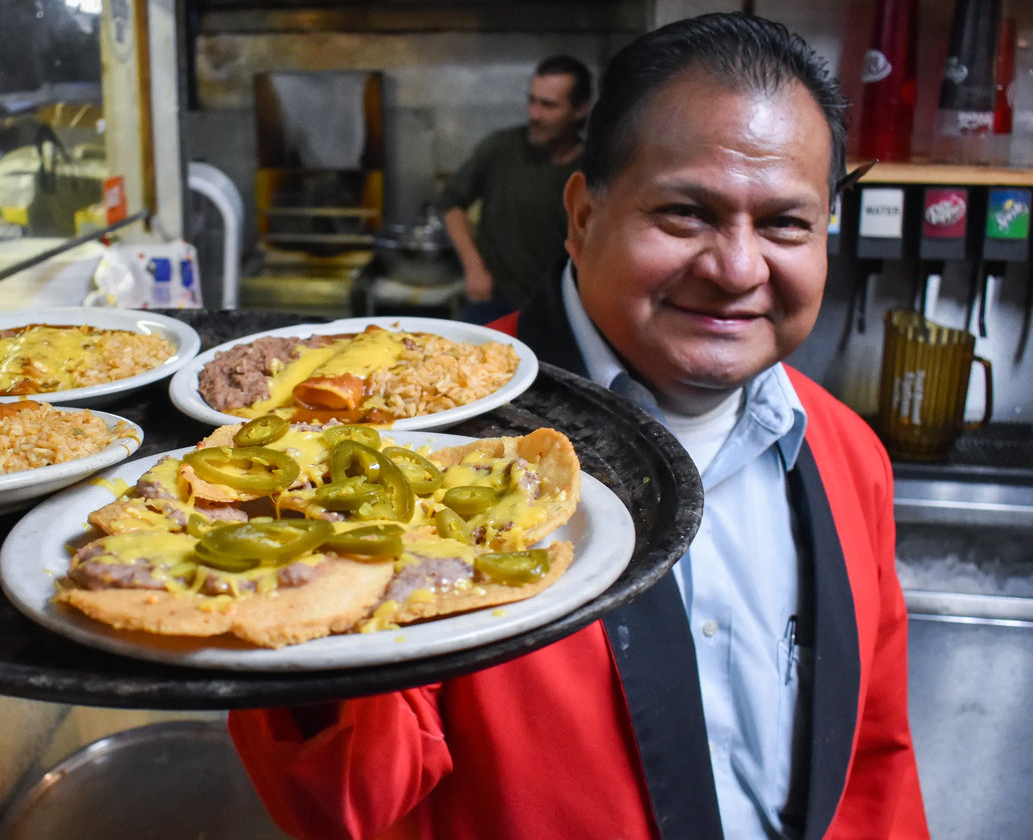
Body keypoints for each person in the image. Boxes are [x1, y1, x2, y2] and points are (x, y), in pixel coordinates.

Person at [228, 13, 930, 840]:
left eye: (785, 223)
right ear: (584, 214)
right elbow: (343, 801)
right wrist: (297, 571)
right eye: (685, 214)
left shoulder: (849, 456)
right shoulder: (420, 448)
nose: (739, 269)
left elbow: (877, 764)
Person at [438, 54, 591, 324]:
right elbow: (451, 203)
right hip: (494, 301)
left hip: (563, 308)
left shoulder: (594, 167)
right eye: (532, 101)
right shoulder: (502, 148)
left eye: (548, 105)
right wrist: (474, 268)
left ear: (579, 110)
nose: (535, 114)